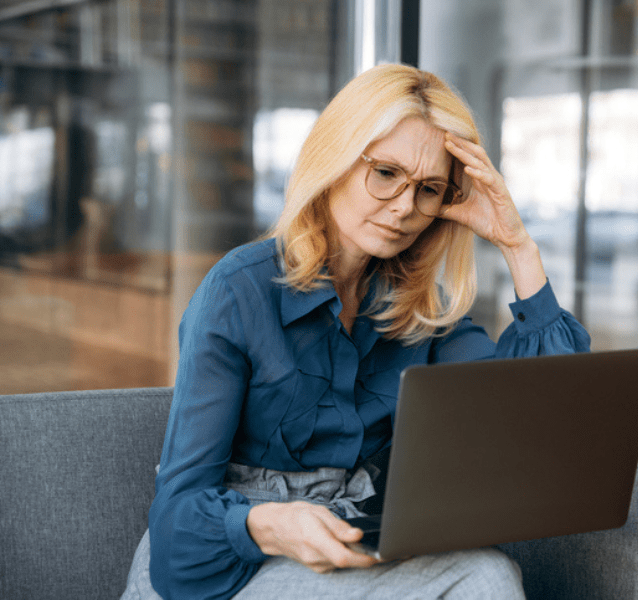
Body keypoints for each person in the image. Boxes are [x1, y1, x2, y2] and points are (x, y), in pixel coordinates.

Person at [121, 64, 590, 600]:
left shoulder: (421, 308)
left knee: (489, 572)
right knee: (484, 577)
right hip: (228, 565)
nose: (405, 208)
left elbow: (537, 426)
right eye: (386, 173)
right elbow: (178, 523)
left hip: (348, 544)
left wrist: (517, 245)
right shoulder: (238, 291)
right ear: (335, 161)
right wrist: (271, 525)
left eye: (429, 189)